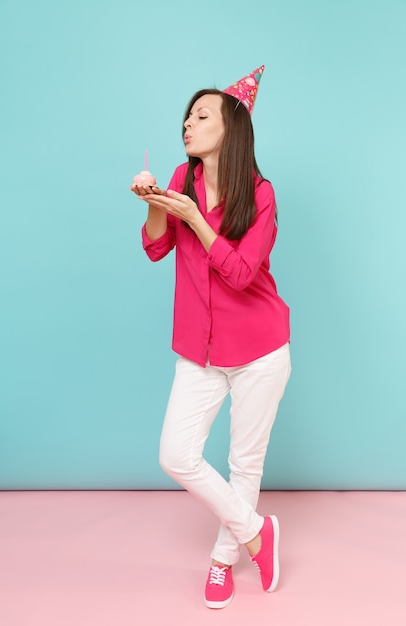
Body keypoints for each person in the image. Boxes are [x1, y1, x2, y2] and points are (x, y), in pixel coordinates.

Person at [130, 65, 291, 609]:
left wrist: (199, 221)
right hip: (198, 348)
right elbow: (156, 248)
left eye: (201, 115)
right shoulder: (181, 177)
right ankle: (255, 534)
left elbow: (243, 273)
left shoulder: (261, 194)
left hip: (260, 349)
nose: (187, 124)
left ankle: (224, 560)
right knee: (176, 454)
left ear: (232, 127)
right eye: (186, 116)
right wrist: (156, 201)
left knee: (246, 465)